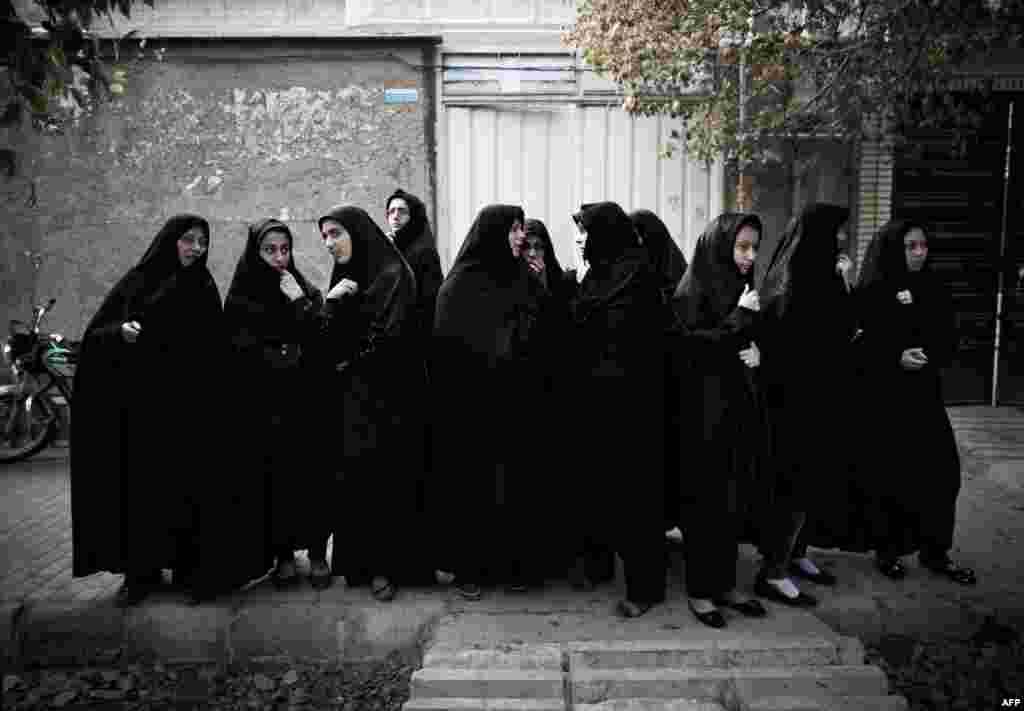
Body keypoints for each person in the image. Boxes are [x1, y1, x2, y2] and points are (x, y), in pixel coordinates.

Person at [71, 215, 226, 607]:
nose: (195, 248)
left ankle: (192, 574)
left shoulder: (204, 286)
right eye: (188, 240)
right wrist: (119, 334)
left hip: (188, 413)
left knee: (188, 494)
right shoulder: (138, 282)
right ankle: (141, 575)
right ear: (170, 241)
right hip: (141, 413)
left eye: (202, 242)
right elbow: (95, 337)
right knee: (142, 495)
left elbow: (216, 348)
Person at [432, 204, 547, 598]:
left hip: (516, 408)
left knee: (514, 487)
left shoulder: (524, 280)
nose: (521, 236)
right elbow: (446, 353)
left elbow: (542, 336)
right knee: (474, 490)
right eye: (514, 229)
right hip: (473, 410)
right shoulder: (458, 287)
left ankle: (515, 566)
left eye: (521, 229)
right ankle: (471, 570)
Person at [315, 205, 426, 600]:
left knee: (385, 479)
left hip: (389, 399)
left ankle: (387, 568)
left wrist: (347, 361)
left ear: (357, 234)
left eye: (335, 234)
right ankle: (361, 564)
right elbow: (326, 342)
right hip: (353, 397)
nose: (329, 244)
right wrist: (331, 303)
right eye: (325, 236)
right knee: (356, 478)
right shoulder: (346, 277)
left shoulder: (394, 276)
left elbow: (388, 342)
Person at [856, 220, 976, 585]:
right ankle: (888, 550)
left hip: (925, 396)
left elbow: (950, 336)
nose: (920, 253)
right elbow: (860, 346)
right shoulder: (875, 289)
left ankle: (935, 550)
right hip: (888, 399)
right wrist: (895, 357)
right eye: (911, 246)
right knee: (894, 475)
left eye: (923, 245)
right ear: (895, 249)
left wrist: (930, 351)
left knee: (942, 473)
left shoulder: (934, 287)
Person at [569, 201, 670, 618]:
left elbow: (644, 341)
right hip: (598, 404)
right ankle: (599, 568)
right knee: (602, 491)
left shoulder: (639, 277)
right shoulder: (600, 274)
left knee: (637, 500)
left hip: (635, 407)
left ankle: (645, 589)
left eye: (586, 232)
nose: (581, 240)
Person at [755, 203, 856, 606]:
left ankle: (796, 555)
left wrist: (844, 281)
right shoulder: (791, 285)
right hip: (794, 405)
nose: (841, 243)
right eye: (836, 236)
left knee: (810, 485)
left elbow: (847, 325)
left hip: (819, 399)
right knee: (794, 487)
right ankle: (773, 572)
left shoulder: (821, 279)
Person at [671, 212, 769, 628]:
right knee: (704, 502)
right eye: (742, 247)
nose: (750, 256)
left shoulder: (742, 287)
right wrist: (739, 321)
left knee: (732, 498)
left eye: (754, 247)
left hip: (735, 410)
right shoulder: (691, 290)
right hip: (700, 416)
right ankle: (700, 591)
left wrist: (757, 353)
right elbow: (691, 348)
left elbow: (749, 340)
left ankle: (725, 584)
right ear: (720, 245)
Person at [223, 219, 327, 590]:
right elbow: (237, 349)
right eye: (270, 250)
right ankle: (283, 555)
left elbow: (321, 332)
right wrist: (280, 356)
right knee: (275, 481)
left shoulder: (299, 286)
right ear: (256, 252)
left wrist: (297, 300)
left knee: (312, 477)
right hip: (266, 405)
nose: (280, 258)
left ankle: (316, 553)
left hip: (306, 402)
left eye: (285, 250)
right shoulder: (241, 295)